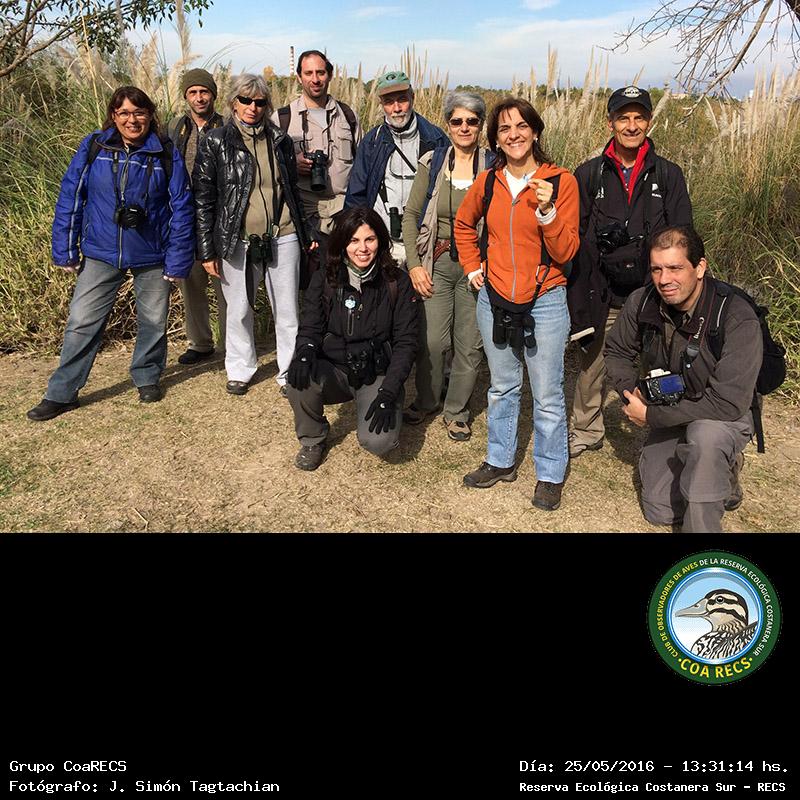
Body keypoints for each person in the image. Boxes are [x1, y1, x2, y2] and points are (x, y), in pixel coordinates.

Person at [27, 85, 194, 421]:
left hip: (152, 253)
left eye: (139, 112)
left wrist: (177, 260)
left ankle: (147, 377)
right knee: (81, 321)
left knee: (153, 321)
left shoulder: (164, 152)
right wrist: (65, 249)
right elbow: (71, 196)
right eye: (124, 113)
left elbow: (182, 207)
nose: (132, 120)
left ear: (150, 115)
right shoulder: (95, 146)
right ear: (113, 116)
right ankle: (62, 393)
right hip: (100, 251)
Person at [454, 97, 579, 511]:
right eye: (504, 129)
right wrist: (472, 266)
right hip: (495, 298)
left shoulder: (560, 181)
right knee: (502, 386)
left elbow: (566, 251)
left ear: (535, 131)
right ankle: (500, 459)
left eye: (521, 126)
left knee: (547, 393)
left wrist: (547, 210)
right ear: (495, 140)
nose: (514, 134)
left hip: (545, 299)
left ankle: (550, 473)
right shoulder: (489, 182)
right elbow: (463, 224)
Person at [604, 225, 761, 533]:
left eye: (675, 268)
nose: (664, 279)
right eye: (657, 269)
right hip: (672, 406)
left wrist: (651, 416)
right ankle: (714, 467)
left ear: (699, 267)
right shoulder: (642, 301)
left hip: (721, 414)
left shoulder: (735, 315)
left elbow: (727, 403)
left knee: (705, 438)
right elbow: (617, 351)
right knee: (659, 510)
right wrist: (631, 393)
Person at [567, 85, 692, 458]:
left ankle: (664, 431)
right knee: (592, 362)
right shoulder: (589, 174)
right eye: (624, 118)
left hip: (653, 289)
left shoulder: (668, 175)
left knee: (663, 363)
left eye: (639, 117)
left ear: (649, 122)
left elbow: (684, 234)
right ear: (610, 122)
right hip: (601, 288)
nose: (632, 125)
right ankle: (587, 429)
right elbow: (574, 234)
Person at [193, 73, 314, 396]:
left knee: (287, 309)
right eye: (245, 100)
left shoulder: (280, 140)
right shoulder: (216, 141)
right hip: (237, 238)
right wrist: (207, 250)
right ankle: (240, 368)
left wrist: (305, 233)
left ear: (266, 105)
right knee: (239, 308)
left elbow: (291, 190)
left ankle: (289, 371)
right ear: (233, 102)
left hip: (283, 234)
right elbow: (203, 198)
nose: (252, 107)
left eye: (259, 102)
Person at [285, 206, 419, 471]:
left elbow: (406, 344)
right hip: (335, 368)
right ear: (342, 243)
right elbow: (310, 326)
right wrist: (305, 352)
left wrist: (389, 391)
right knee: (299, 377)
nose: (362, 248)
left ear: (380, 240)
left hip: (376, 372)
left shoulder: (398, 282)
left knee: (378, 442)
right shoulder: (325, 277)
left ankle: (385, 401)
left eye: (370, 239)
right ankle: (313, 438)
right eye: (354, 240)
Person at [400, 90, 493, 440]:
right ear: (448, 124)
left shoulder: (494, 166)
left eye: (472, 121)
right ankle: (427, 400)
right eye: (457, 121)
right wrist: (414, 265)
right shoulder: (433, 162)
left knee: (469, 344)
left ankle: (456, 410)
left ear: (481, 125)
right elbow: (411, 216)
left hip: (476, 268)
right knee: (433, 341)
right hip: (436, 261)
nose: (464, 127)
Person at [344, 70, 449, 266]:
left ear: (413, 97)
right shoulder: (372, 142)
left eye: (402, 99)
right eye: (389, 102)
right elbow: (356, 195)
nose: (397, 108)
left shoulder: (436, 139)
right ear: (381, 104)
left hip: (424, 241)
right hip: (383, 242)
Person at [271, 50, 363, 264]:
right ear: (299, 77)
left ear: (329, 75)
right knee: (308, 279)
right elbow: (267, 170)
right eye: (308, 73)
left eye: (320, 73)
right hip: (302, 217)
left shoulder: (348, 116)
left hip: (344, 213)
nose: (315, 79)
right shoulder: (282, 118)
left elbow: (362, 166)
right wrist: (292, 164)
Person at [168, 68, 227, 366]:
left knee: (226, 285)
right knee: (191, 285)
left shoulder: (227, 126)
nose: (199, 97)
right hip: (186, 218)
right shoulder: (175, 127)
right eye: (193, 92)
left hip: (220, 217)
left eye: (204, 91)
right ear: (186, 96)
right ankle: (200, 343)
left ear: (213, 94)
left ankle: (232, 345)